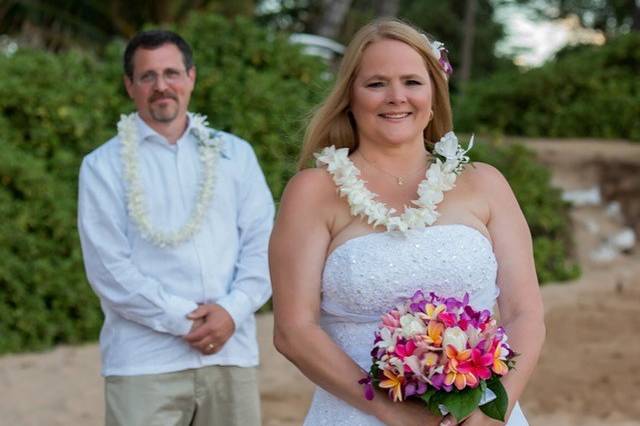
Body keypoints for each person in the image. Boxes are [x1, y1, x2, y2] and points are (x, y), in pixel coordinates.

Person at [269, 19, 545, 426]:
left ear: (434, 93)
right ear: (349, 96)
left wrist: (491, 413)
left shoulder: (485, 184)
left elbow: (526, 314)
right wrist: (392, 413)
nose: (396, 97)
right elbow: (293, 330)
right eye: (376, 83)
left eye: (412, 82)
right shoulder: (313, 192)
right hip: (357, 414)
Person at [77, 30, 274, 426]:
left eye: (171, 72)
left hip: (230, 353)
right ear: (129, 85)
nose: (161, 86)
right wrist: (187, 320)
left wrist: (230, 311)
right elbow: (109, 270)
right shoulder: (102, 166)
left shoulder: (235, 154)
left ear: (191, 77)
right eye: (147, 76)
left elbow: (264, 244)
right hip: (143, 361)